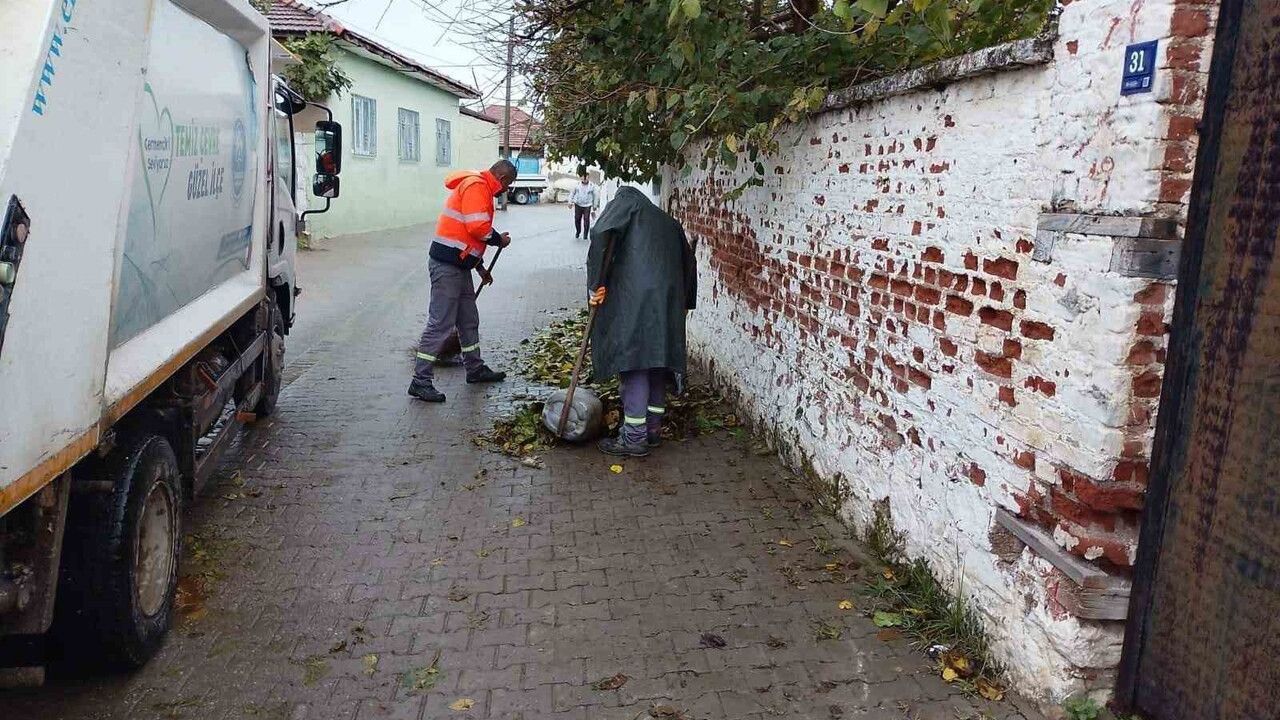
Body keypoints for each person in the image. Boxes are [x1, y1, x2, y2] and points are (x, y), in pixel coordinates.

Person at [586, 187, 697, 456]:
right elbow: (689, 263)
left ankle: (634, 438)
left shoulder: (626, 205)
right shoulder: (668, 222)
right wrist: (686, 303)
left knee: (634, 364)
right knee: (657, 363)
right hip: (667, 306)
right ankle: (653, 431)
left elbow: (601, 232)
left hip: (634, 302)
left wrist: (595, 284)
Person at [408, 159, 518, 403]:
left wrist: (480, 268)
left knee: (469, 321)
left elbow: (465, 240)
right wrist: (500, 240)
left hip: (459, 266)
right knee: (440, 324)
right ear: (502, 178)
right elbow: (478, 228)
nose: (506, 190)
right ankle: (420, 381)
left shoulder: (480, 187)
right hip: (447, 268)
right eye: (508, 184)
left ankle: (475, 369)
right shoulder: (477, 186)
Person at [569, 174, 598, 239]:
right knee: (577, 219)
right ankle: (578, 231)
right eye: (583, 176)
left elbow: (595, 195)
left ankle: (585, 234)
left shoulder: (592, 186)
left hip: (587, 205)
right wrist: (570, 202)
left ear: (588, 177)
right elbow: (572, 193)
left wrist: (595, 205)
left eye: (586, 177)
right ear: (581, 177)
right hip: (578, 204)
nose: (584, 178)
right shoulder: (577, 185)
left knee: (586, 220)